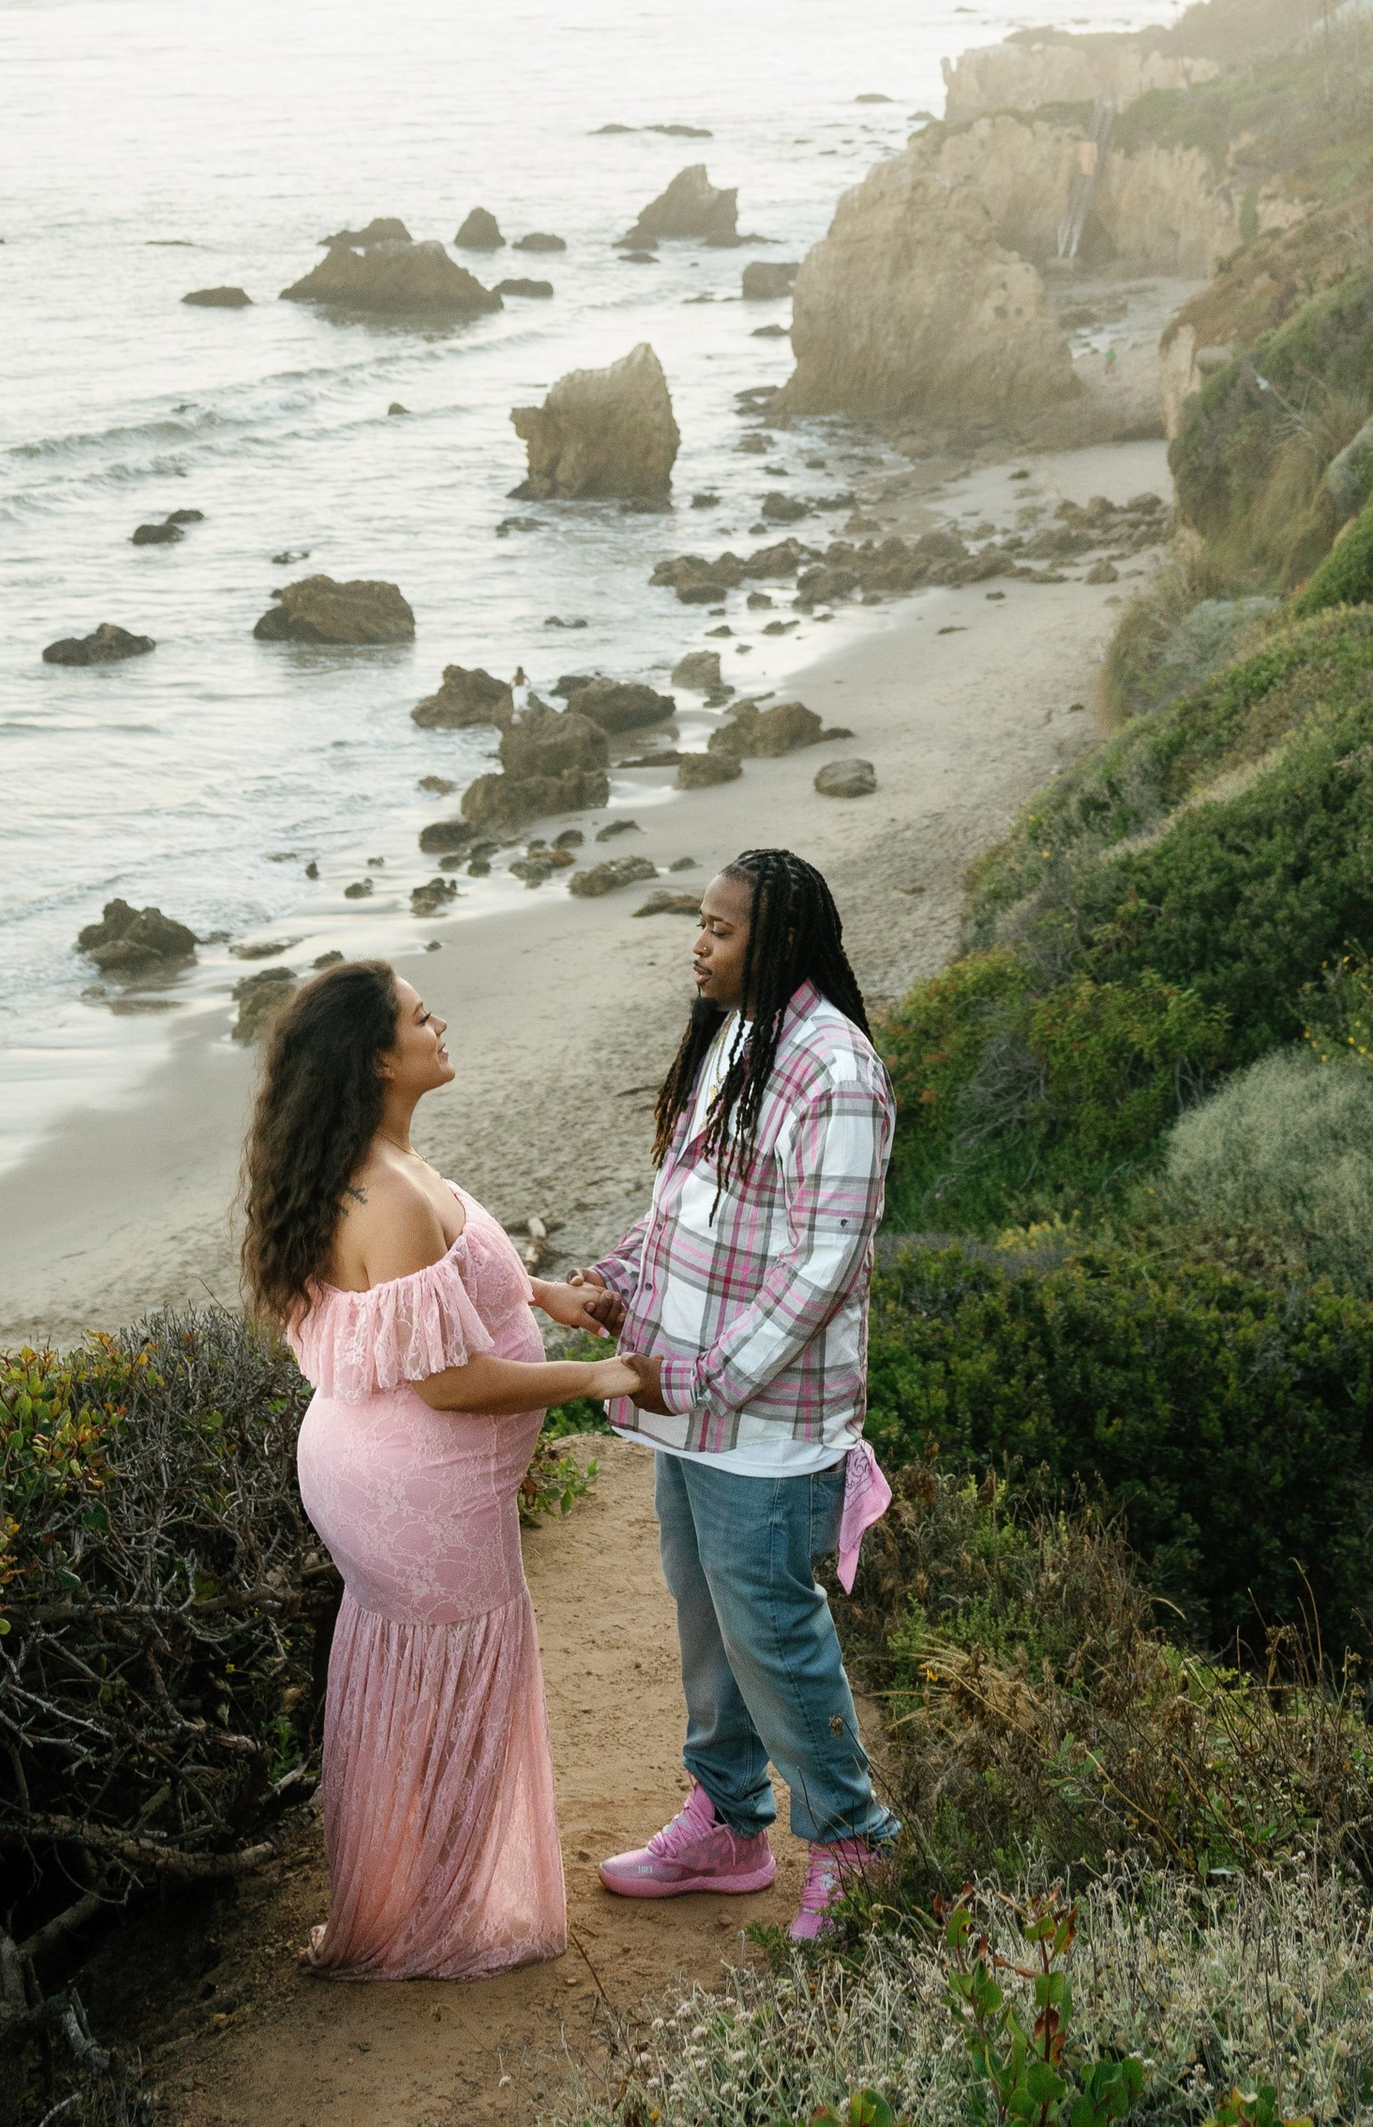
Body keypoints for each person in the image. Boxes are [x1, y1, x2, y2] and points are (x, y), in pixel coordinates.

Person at [245, 960, 641, 1981]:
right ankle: (434, 1921)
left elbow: (451, 1287)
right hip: (415, 1489)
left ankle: (414, 1894)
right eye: (422, 1017)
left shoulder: (387, 1161)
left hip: (394, 1477)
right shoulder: (384, 1194)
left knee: (424, 1686)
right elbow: (454, 1383)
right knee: (454, 1689)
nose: (440, 1023)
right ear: (380, 1057)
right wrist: (599, 1376)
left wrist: (550, 1299)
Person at [583, 846, 901, 1943]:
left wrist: (708, 1376)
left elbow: (824, 1266)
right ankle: (728, 1822)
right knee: (706, 1617)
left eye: (719, 929)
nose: (698, 945)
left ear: (778, 943)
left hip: (765, 1425)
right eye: (701, 924)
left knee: (771, 1631)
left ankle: (854, 1842)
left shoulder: (836, 1071)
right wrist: (616, 1283)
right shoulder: (735, 1038)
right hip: (693, 1413)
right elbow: (681, 1204)